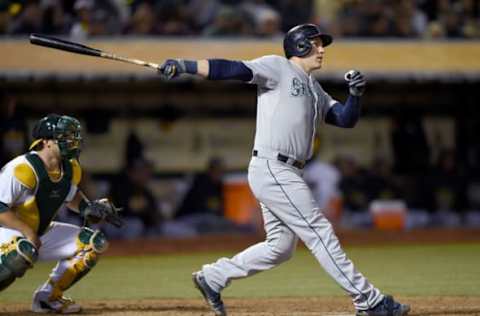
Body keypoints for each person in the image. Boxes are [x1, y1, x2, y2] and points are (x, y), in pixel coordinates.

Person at [158, 23, 410, 316]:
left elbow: (344, 119)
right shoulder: (277, 66)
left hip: (286, 171)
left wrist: (355, 96)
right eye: (316, 43)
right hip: (273, 166)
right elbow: (233, 70)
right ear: (300, 45)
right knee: (319, 231)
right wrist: (185, 65)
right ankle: (369, 300)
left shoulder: (314, 88)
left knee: (280, 247)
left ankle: (213, 276)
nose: (321, 49)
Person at [0, 114, 121, 314]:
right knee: (21, 253)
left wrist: (88, 208)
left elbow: (69, 194)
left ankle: (48, 298)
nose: (72, 141)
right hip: (7, 232)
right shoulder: (23, 168)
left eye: (73, 136)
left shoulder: (71, 167)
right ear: (46, 142)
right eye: (65, 136)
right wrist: (28, 233)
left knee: (92, 243)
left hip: (37, 234)